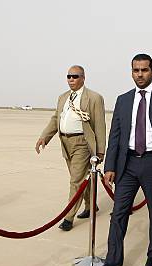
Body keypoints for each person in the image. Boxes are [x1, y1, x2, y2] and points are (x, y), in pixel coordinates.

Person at [91, 54, 152, 266]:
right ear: (131, 72)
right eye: (136, 70)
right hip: (128, 164)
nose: (140, 74)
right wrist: (111, 165)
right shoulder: (123, 99)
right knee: (118, 213)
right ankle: (113, 262)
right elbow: (115, 135)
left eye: (144, 70)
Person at [35, 65, 106, 231]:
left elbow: (100, 124)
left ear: (83, 78)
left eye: (75, 76)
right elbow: (55, 119)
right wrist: (44, 137)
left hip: (82, 143)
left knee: (75, 181)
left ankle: (68, 217)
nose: (71, 79)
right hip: (65, 143)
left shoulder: (94, 98)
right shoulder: (63, 97)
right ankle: (90, 207)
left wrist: (101, 150)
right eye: (69, 76)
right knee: (82, 180)